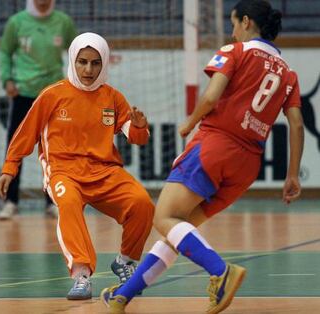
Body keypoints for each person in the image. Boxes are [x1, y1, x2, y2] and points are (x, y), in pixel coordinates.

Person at [101, 0, 304, 313]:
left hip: (215, 147)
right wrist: (292, 174)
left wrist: (190, 122)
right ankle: (123, 295)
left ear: (247, 22)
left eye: (234, 23)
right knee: (178, 231)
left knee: (164, 218)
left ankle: (221, 271)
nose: (232, 30)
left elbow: (211, 96)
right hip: (247, 165)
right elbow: (297, 124)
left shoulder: (236, 52)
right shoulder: (288, 74)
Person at [0, 32, 155, 300]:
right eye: (82, 62)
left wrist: (140, 127)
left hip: (104, 172)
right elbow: (26, 133)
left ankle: (125, 262)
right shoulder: (52, 95)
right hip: (63, 171)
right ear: (73, 60)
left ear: (103, 64)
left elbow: (135, 137)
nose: (88, 69)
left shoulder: (113, 98)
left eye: (95, 63)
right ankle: (81, 274)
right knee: (68, 203)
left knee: (142, 203)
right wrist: (10, 166)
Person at [0, 0, 77, 220]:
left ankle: (53, 200)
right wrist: (7, 79)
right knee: (16, 146)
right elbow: (5, 52)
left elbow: (76, 53)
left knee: (56, 148)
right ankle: (10, 202)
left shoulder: (64, 22)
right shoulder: (17, 22)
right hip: (24, 93)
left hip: (53, 95)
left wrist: (73, 85)